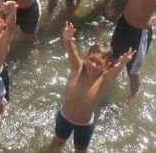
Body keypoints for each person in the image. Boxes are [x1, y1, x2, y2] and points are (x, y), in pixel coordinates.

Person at [51, 22, 134, 152]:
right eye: (91, 59)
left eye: (99, 63)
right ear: (86, 57)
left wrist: (123, 62)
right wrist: (67, 39)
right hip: (64, 118)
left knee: (80, 150)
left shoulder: (104, 80)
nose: (93, 65)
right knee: (58, 142)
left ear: (106, 66)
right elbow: (72, 52)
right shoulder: (77, 68)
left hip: (84, 125)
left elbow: (115, 72)